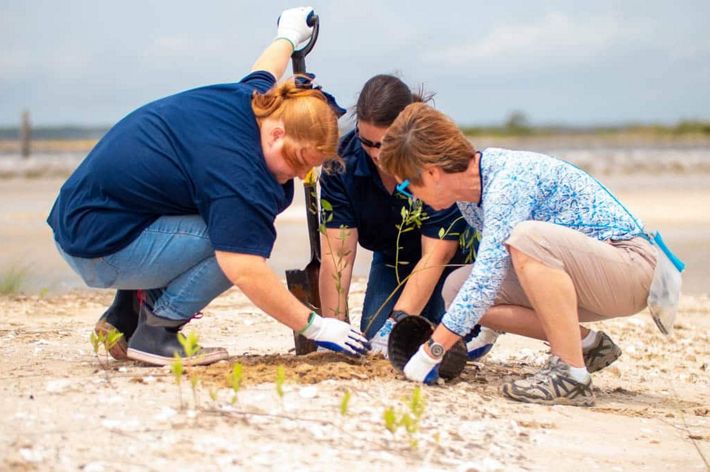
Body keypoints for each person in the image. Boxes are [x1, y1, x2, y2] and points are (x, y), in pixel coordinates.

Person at [47, 7, 370, 366]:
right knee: (237, 240)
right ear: (277, 133)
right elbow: (244, 268)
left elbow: (265, 69)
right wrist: (317, 327)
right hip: (98, 248)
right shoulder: (237, 170)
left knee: (201, 203)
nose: (297, 174)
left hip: (85, 218)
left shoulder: (257, 101)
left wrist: (289, 36)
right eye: (296, 161)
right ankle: (157, 331)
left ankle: (125, 316)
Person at [378, 102, 660, 406]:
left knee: (527, 238)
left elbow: (489, 276)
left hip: (630, 266)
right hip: (585, 274)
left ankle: (571, 375)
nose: (412, 197)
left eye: (408, 185)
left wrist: (432, 350)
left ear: (431, 173)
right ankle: (587, 346)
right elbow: (489, 277)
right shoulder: (469, 195)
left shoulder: (507, 181)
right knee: (457, 287)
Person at [317, 75, 472, 352]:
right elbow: (337, 255)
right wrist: (333, 325)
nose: (377, 155)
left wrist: (396, 322)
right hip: (392, 261)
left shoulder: (435, 158)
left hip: (451, 263)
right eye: (368, 143)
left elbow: (438, 254)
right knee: (370, 341)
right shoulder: (341, 163)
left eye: (386, 143)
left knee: (432, 344)